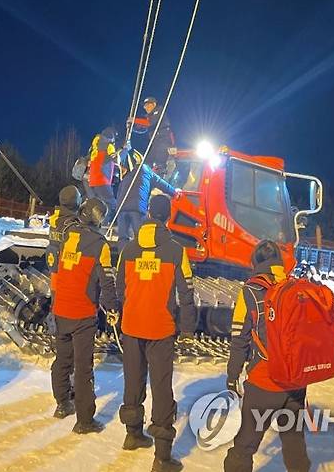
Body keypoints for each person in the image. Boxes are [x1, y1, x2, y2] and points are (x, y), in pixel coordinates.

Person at [116, 194, 195, 471]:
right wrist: (187, 328)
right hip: (160, 330)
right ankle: (162, 457)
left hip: (132, 327)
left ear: (149, 213)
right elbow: (186, 294)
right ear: (167, 216)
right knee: (162, 389)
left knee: (133, 381)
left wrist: (127, 311)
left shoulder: (128, 250)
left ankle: (133, 434)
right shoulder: (176, 251)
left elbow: (120, 288)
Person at [224, 240, 310, 472]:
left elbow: (239, 337)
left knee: (244, 446)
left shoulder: (250, 291)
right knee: (294, 444)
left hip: (265, 380)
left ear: (256, 262)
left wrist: (232, 376)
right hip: (295, 382)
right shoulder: (296, 288)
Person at [50, 196, 119, 434]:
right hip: (82, 313)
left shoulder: (68, 236)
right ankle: (85, 421)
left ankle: (62, 404)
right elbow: (107, 282)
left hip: (61, 309)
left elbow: (58, 269)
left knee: (62, 360)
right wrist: (112, 309)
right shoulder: (100, 244)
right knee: (83, 368)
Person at [47, 184, 83, 418]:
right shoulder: (74, 226)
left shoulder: (55, 221)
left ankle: (62, 398)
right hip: (71, 289)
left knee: (62, 349)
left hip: (55, 286)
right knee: (75, 350)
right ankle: (72, 394)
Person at [115, 150, 179, 251]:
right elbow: (162, 184)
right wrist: (175, 193)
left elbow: (119, 192)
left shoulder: (129, 175)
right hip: (137, 208)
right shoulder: (148, 172)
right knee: (141, 237)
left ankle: (122, 261)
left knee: (123, 238)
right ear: (152, 167)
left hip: (121, 209)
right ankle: (139, 259)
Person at [130, 98, 176, 176]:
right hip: (156, 143)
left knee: (159, 163)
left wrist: (134, 120)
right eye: (145, 106)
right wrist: (133, 126)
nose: (146, 107)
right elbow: (143, 128)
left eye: (148, 105)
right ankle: (145, 178)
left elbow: (150, 123)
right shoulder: (149, 116)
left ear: (154, 104)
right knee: (147, 162)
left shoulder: (159, 111)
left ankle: (160, 179)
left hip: (163, 141)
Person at [87, 128, 119, 218]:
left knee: (99, 205)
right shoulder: (109, 146)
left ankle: (96, 224)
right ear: (111, 138)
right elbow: (115, 158)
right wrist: (125, 149)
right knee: (111, 203)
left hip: (93, 180)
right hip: (102, 179)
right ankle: (103, 226)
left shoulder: (96, 146)